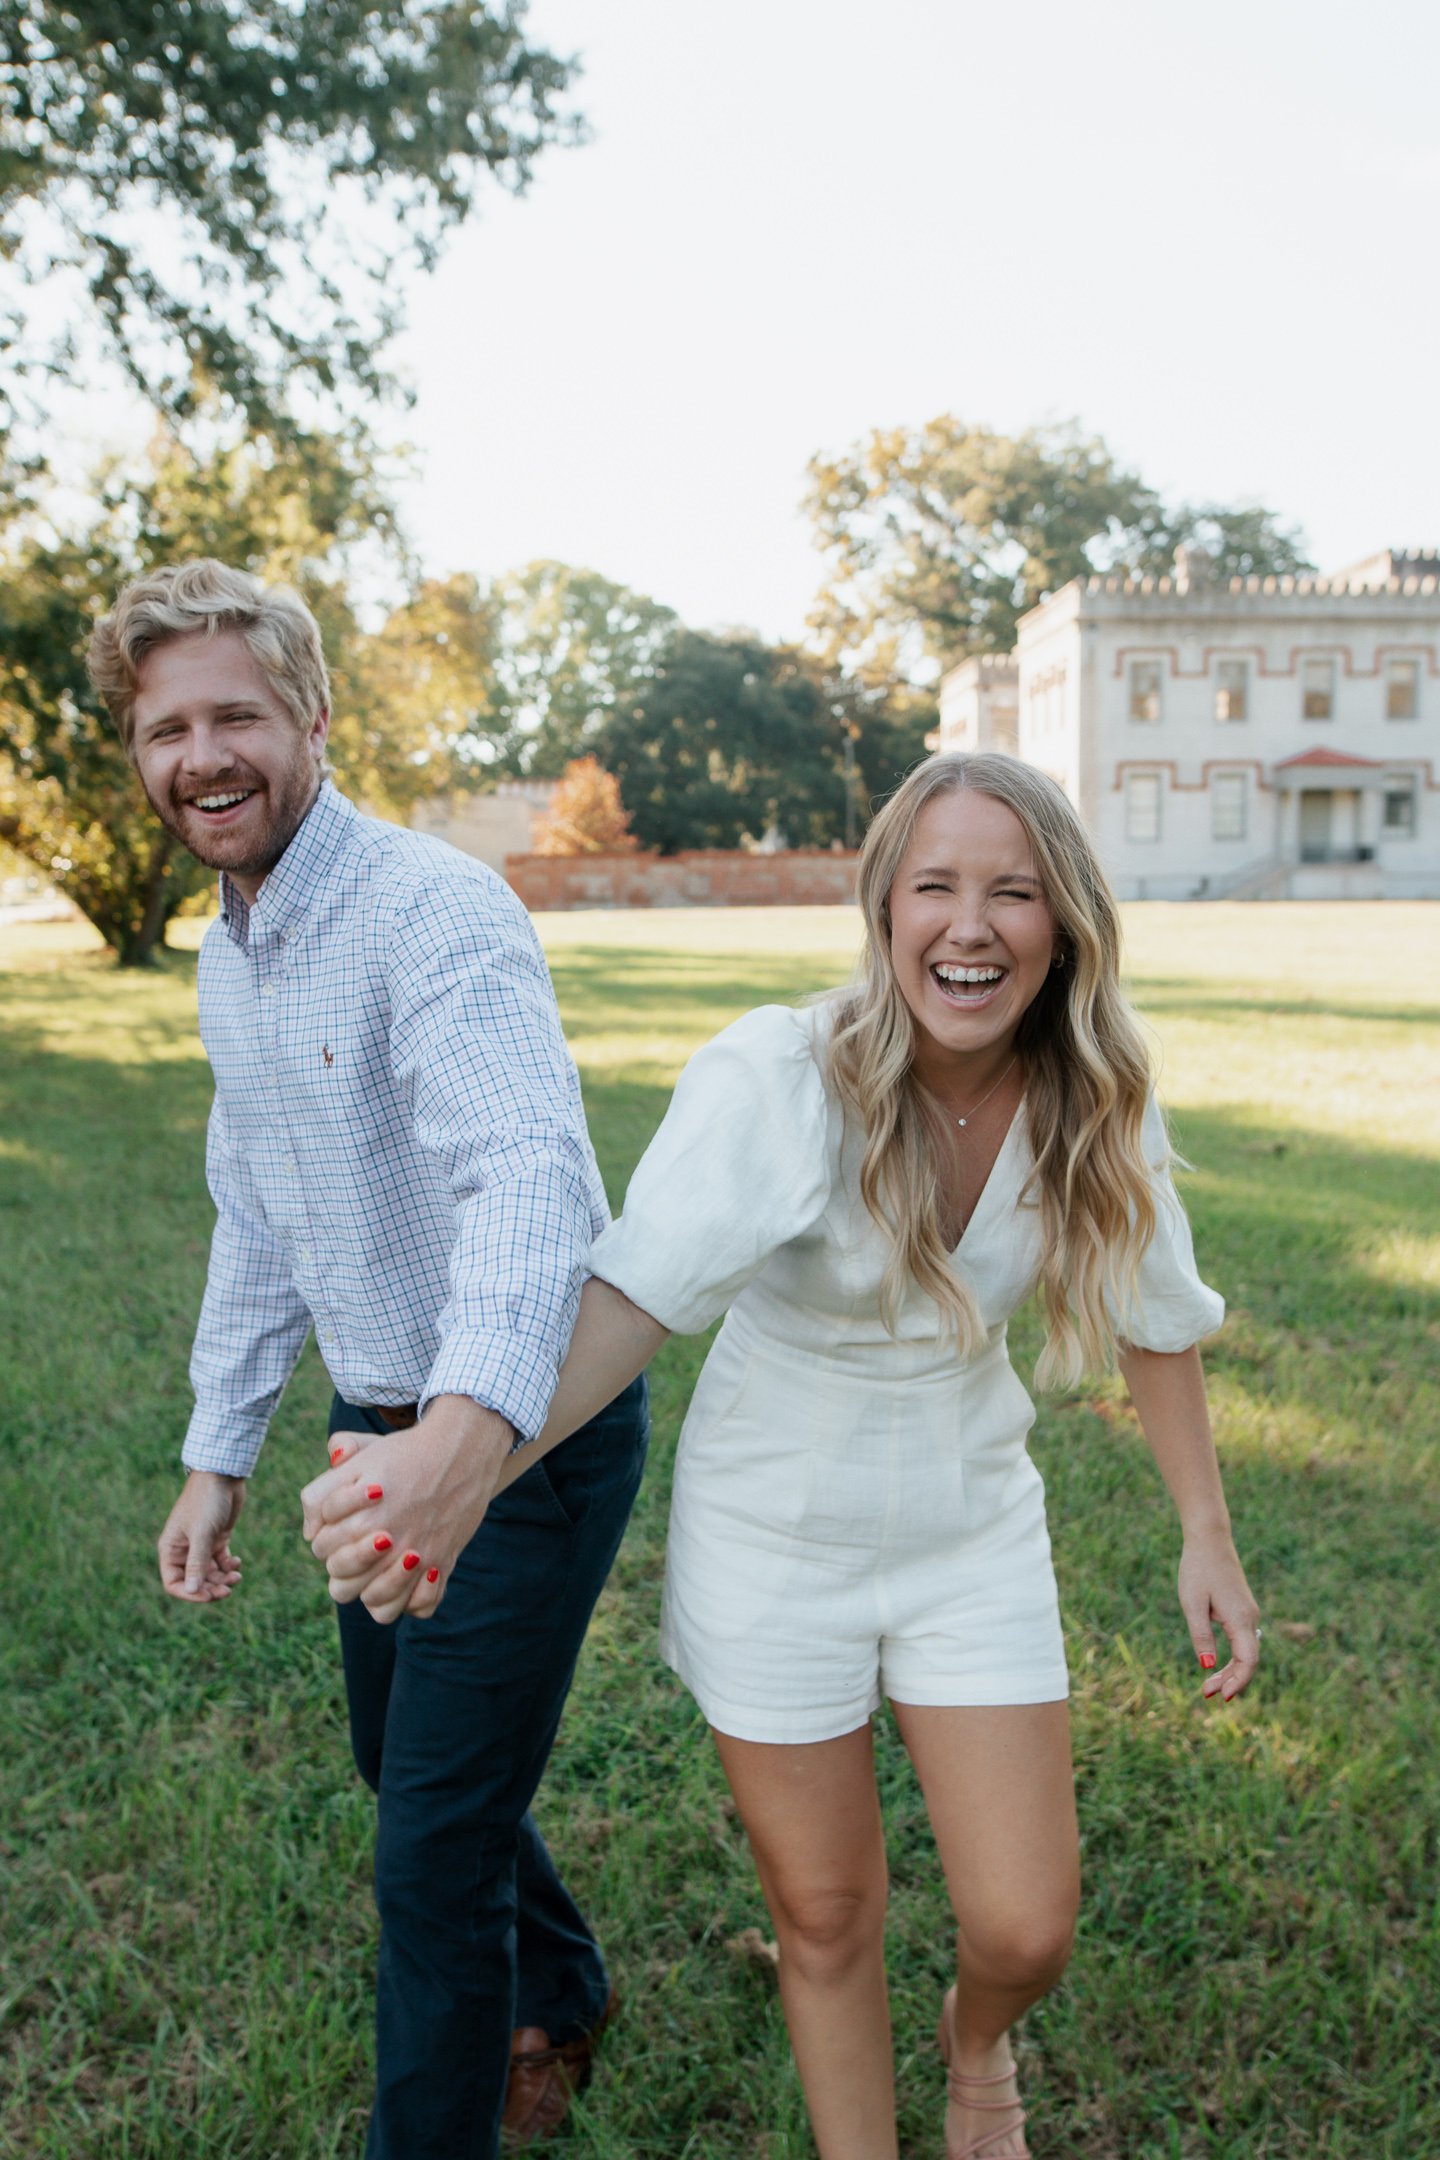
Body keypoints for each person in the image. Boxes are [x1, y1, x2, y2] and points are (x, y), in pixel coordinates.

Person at [308, 749, 1261, 2159]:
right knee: (825, 1915)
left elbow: (1155, 1314)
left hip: (968, 1531)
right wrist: (460, 1467)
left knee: (1026, 1923)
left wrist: (1205, 1530)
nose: (970, 925)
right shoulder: (782, 1076)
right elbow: (631, 1301)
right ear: (882, 910)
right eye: (934, 886)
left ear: (1061, 924)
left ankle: (974, 2041)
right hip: (773, 1539)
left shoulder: (1090, 1094)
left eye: (1012, 891)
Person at [88, 558, 649, 2160]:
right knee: (394, 1764)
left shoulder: (434, 909)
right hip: (370, 1422)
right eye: (166, 727)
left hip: (522, 1427)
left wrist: (469, 1444)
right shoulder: (229, 950)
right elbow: (257, 1214)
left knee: (427, 1853)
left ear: (314, 720)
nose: (203, 755)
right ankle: (568, 1982)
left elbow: (530, 1175)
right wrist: (219, 1454)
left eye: (237, 716)